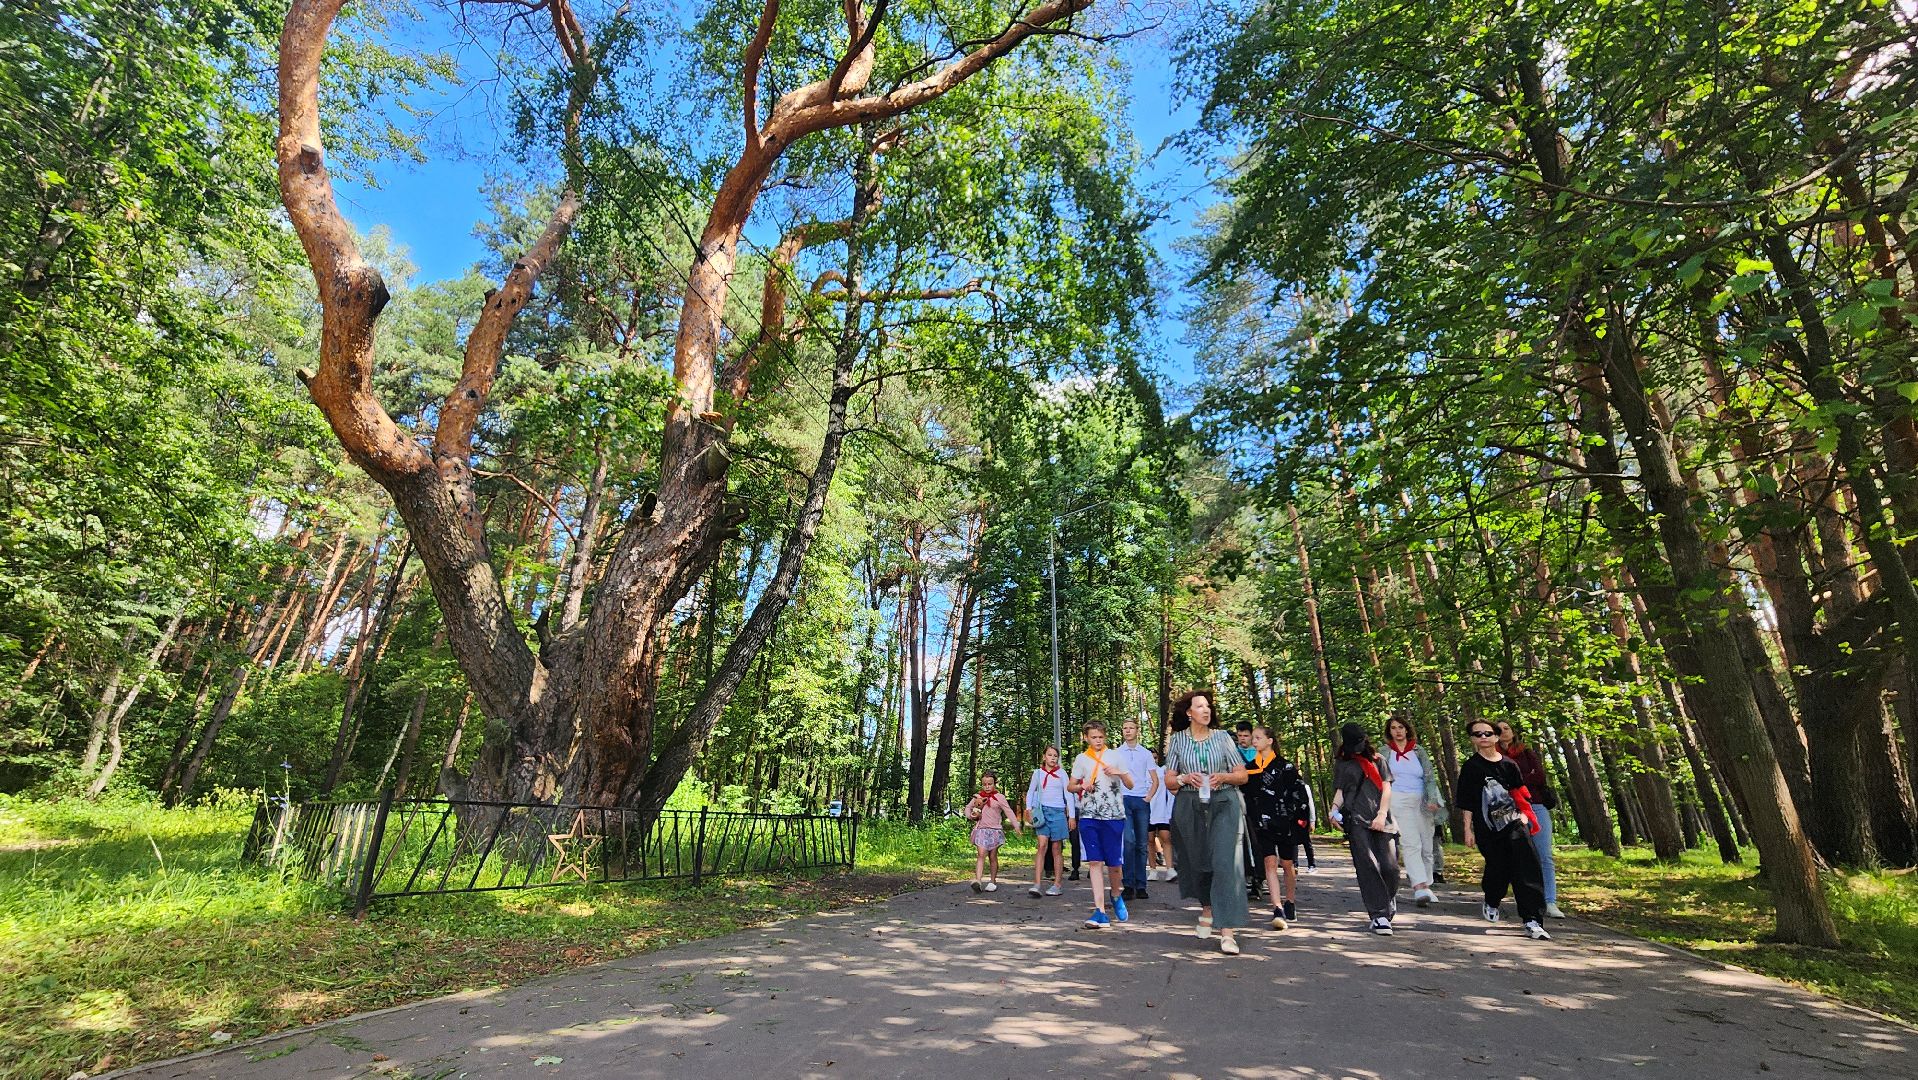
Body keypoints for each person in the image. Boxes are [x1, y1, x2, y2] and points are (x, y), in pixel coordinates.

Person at [1165, 690, 1251, 955]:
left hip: (1224, 803)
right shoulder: (1178, 741)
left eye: (1208, 706)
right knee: (1198, 862)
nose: (1206, 710)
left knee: (1225, 862)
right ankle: (1207, 908)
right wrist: (1182, 779)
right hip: (1190, 805)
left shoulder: (1224, 738)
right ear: (1189, 713)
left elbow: (1243, 776)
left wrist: (1223, 777)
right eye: (1200, 706)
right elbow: (1169, 782)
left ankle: (1227, 932)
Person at [1458, 720, 1552, 940]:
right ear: (1472, 739)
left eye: (1488, 733)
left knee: (1527, 866)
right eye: (1477, 734)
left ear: (1496, 736)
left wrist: (1524, 815)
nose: (1483, 737)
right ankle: (1492, 899)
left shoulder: (1509, 764)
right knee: (1498, 868)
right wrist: (1468, 830)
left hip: (1515, 822)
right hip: (1487, 827)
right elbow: (1466, 803)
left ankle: (1533, 920)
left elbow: (1519, 792)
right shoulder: (1471, 767)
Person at [1330, 721, 1400, 935]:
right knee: (1368, 865)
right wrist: (1334, 810)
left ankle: (1387, 900)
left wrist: (1381, 814)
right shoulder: (1343, 763)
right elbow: (1341, 791)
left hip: (1382, 820)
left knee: (1390, 867)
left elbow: (1386, 789)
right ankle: (1379, 915)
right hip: (1356, 820)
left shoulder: (1379, 761)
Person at [1497, 720, 1565, 918]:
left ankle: (1550, 901)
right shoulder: (1493, 756)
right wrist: (1524, 777)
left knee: (1544, 855)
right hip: (1507, 809)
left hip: (1535, 805)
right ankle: (1525, 899)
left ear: (1513, 731)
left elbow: (1540, 777)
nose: (1503, 732)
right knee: (1515, 855)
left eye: (1506, 728)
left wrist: (1514, 780)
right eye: (1499, 730)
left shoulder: (1527, 752)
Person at [1244, 725, 1310, 928]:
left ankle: (1290, 901)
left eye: (1258, 737)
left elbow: (1299, 794)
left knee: (1287, 864)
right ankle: (1277, 908)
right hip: (1262, 824)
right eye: (1252, 738)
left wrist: (1299, 822)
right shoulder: (1249, 768)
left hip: (1286, 823)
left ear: (1270, 740)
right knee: (1269, 862)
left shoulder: (1285, 767)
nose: (1254, 741)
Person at [1069, 721, 1134, 928]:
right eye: (1093, 737)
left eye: (1100, 737)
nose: (1097, 740)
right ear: (1086, 738)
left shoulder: (1116, 756)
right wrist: (1081, 785)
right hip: (1089, 815)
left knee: (1114, 864)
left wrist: (1119, 773)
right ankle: (1100, 911)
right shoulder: (1081, 759)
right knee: (1095, 862)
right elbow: (1070, 786)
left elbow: (1131, 784)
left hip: (1114, 816)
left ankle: (1116, 895)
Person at [1382, 712, 1444, 907]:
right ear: (1389, 732)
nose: (1398, 731)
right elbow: (1380, 779)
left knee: (1427, 845)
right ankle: (1418, 886)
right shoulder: (1385, 752)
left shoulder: (1419, 751)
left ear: (1407, 729)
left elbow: (1429, 777)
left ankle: (1427, 884)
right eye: (1393, 728)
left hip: (1422, 800)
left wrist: (1433, 798)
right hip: (1398, 799)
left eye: (1401, 727)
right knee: (1411, 843)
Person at [1114, 717, 1159, 901]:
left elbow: (1155, 780)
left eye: (1131, 727)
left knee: (1142, 843)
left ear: (1137, 730)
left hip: (1141, 801)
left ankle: (1141, 885)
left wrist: (1148, 797)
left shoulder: (1145, 754)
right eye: (1125, 728)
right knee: (1129, 841)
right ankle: (1128, 884)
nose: (1128, 731)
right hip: (1124, 800)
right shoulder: (1117, 753)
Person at [1025, 747, 1071, 897]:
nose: (1053, 758)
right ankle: (1037, 884)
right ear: (1044, 757)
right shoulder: (1037, 773)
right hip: (1042, 811)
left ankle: (1057, 884)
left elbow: (1068, 793)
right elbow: (1031, 791)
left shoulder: (1062, 773)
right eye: (1050, 755)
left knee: (1056, 847)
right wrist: (1028, 809)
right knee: (1042, 845)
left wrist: (1072, 815)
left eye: (1055, 756)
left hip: (1058, 812)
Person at [965, 772, 1021, 892]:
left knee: (992, 856)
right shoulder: (977, 797)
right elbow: (968, 808)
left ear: (995, 784)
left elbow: (1008, 811)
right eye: (984, 784)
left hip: (995, 830)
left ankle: (992, 881)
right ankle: (978, 880)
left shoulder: (999, 798)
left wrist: (1016, 825)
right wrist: (971, 816)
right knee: (981, 854)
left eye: (990, 784)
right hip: (981, 830)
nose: (987, 786)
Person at [1236, 721, 1261, 901]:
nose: (1243, 739)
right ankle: (1247, 876)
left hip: (1257, 803)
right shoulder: (1233, 753)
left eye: (1246, 735)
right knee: (1241, 841)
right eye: (1240, 735)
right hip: (1238, 801)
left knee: (1258, 840)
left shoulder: (1258, 754)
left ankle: (1260, 878)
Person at [1147, 747, 1176, 881]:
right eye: (1150, 757)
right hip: (1147, 811)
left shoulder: (1163, 771)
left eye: (1155, 758)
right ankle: (1153, 870)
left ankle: (1170, 869)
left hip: (1161, 811)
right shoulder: (1141, 773)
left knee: (1166, 838)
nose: (1153, 760)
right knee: (1150, 840)